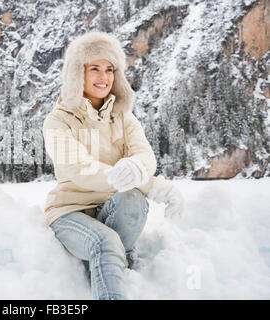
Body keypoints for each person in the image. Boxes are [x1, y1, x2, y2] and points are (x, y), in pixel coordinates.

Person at [42, 31, 184, 300]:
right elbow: (79, 169)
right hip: (70, 212)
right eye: (94, 68)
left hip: (112, 208)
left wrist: (141, 176)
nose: (103, 76)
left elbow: (144, 157)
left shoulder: (124, 117)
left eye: (109, 69)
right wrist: (143, 182)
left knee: (132, 197)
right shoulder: (58, 121)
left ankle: (111, 261)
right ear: (76, 73)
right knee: (105, 241)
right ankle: (110, 260)